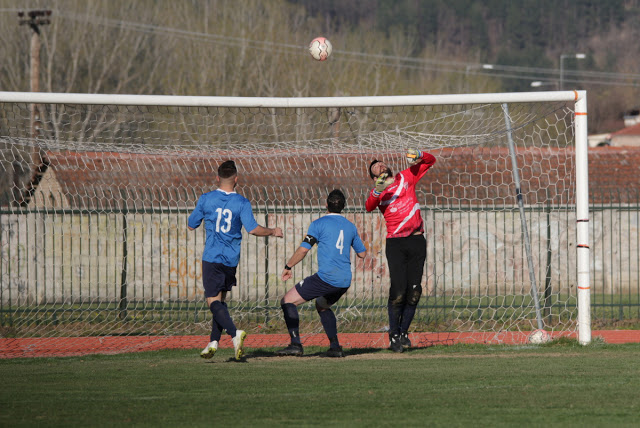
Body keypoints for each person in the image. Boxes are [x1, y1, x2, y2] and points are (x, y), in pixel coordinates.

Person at [188, 160, 283, 361]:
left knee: (212, 300)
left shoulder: (206, 199)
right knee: (220, 301)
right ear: (236, 179)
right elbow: (253, 229)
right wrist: (273, 231)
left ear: (217, 177)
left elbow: (191, 224)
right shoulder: (242, 202)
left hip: (212, 257)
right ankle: (213, 342)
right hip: (231, 259)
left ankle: (234, 333)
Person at [276, 189, 367, 358]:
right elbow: (362, 254)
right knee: (322, 306)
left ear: (326, 204)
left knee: (287, 300)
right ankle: (335, 347)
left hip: (327, 278)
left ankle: (295, 344)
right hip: (344, 280)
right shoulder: (350, 226)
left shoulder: (318, 224)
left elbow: (303, 250)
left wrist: (288, 266)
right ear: (343, 206)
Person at [365, 149, 436, 353]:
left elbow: (431, 161)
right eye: (375, 168)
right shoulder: (378, 192)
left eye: (381, 163)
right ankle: (393, 334)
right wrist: (379, 187)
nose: (380, 165)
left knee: (414, 291)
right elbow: (369, 206)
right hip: (395, 244)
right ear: (374, 177)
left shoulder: (406, 176)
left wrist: (420, 154)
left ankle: (404, 333)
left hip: (416, 240)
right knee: (398, 291)